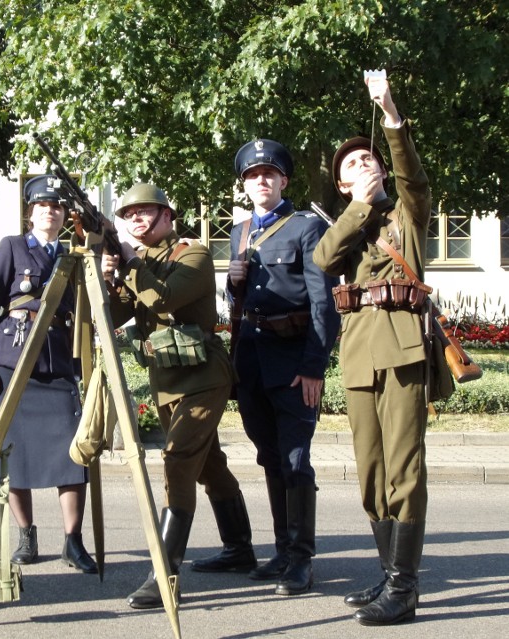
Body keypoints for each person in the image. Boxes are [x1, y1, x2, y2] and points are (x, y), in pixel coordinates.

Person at [101, 183, 256, 610]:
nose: (135, 218)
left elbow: (164, 298)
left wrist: (130, 265)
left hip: (204, 376)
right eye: (128, 213)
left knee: (178, 461)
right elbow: (115, 315)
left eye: (145, 211)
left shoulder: (194, 253)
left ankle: (164, 574)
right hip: (167, 380)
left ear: (168, 215)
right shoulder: (140, 261)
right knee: (208, 464)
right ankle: (240, 546)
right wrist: (109, 275)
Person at [314, 76, 431, 626]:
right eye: (354, 164)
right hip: (360, 356)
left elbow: (413, 176)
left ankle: (404, 589)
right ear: (342, 186)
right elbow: (322, 258)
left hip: (403, 351)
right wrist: (357, 210)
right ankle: (388, 574)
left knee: (404, 471)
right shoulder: (351, 224)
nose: (367, 164)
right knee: (370, 473)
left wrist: (390, 115)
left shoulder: (406, 215)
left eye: (370, 158)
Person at [222, 139, 340, 596]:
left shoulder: (306, 228)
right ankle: (281, 550)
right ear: (245, 185)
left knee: (295, 461)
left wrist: (314, 367)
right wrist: (232, 288)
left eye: (269, 174)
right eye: (252, 176)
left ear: (284, 181)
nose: (261, 181)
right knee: (269, 457)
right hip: (252, 360)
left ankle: (302, 559)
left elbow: (322, 304)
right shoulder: (240, 231)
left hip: (292, 363)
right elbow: (241, 303)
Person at [0, 175, 97, 575]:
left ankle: (73, 540)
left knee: (72, 456)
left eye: (57, 206)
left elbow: (83, 312)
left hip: (57, 364)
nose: (50, 211)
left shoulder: (72, 256)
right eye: (42, 206)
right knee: (15, 456)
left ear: (64, 215)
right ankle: (27, 536)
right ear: (30, 213)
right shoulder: (11, 248)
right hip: (14, 361)